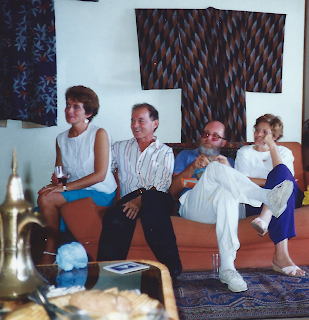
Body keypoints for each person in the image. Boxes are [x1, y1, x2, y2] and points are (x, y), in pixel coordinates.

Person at [169, 120, 294, 292]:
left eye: (215, 136)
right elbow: (172, 191)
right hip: (195, 208)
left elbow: (238, 191)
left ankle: (228, 268)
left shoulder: (230, 161)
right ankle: (267, 197)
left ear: (223, 143)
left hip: (225, 209)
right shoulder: (185, 156)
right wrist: (192, 167)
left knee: (226, 189)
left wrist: (229, 170)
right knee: (214, 169)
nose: (208, 138)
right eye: (205, 134)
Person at [96, 103, 182, 279]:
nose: (135, 125)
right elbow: (102, 171)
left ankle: (171, 267)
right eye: (133, 120)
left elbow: (162, 184)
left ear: (154, 123)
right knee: (114, 216)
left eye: (141, 121)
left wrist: (140, 198)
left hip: (158, 199)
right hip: (129, 199)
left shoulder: (164, 151)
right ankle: (106, 273)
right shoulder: (119, 147)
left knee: (151, 199)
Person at [37, 85, 117, 264]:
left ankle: (50, 252)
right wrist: (57, 182)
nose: (69, 110)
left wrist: (63, 188)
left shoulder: (99, 134)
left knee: (46, 199)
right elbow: (61, 172)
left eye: (76, 107)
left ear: (88, 113)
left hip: (100, 191)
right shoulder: (61, 139)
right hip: (74, 189)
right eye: (67, 105)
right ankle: (57, 248)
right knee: (45, 195)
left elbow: (100, 175)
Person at [235, 114, 305, 277]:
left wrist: (272, 147)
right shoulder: (244, 152)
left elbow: (287, 182)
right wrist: (271, 183)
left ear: (275, 136)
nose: (259, 134)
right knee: (280, 191)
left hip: (286, 197)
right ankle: (281, 257)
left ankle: (265, 216)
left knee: (281, 173)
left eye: (264, 132)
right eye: (257, 130)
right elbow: (242, 181)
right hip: (255, 202)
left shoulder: (284, 152)